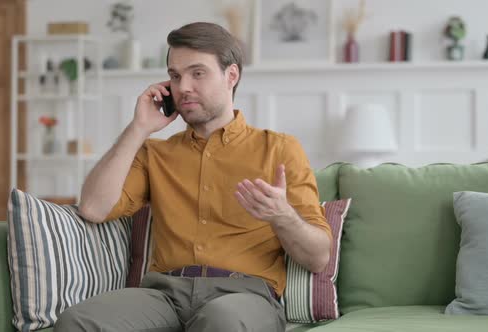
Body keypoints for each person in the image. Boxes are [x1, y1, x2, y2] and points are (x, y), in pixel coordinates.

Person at [54, 22, 331, 332]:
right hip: (163, 294)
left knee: (220, 321)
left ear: (231, 76)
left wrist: (282, 216)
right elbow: (92, 207)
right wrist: (138, 128)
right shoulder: (154, 153)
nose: (183, 87)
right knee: (77, 322)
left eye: (197, 73)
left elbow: (318, 258)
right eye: (175, 75)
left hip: (244, 296)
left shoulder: (279, 149)